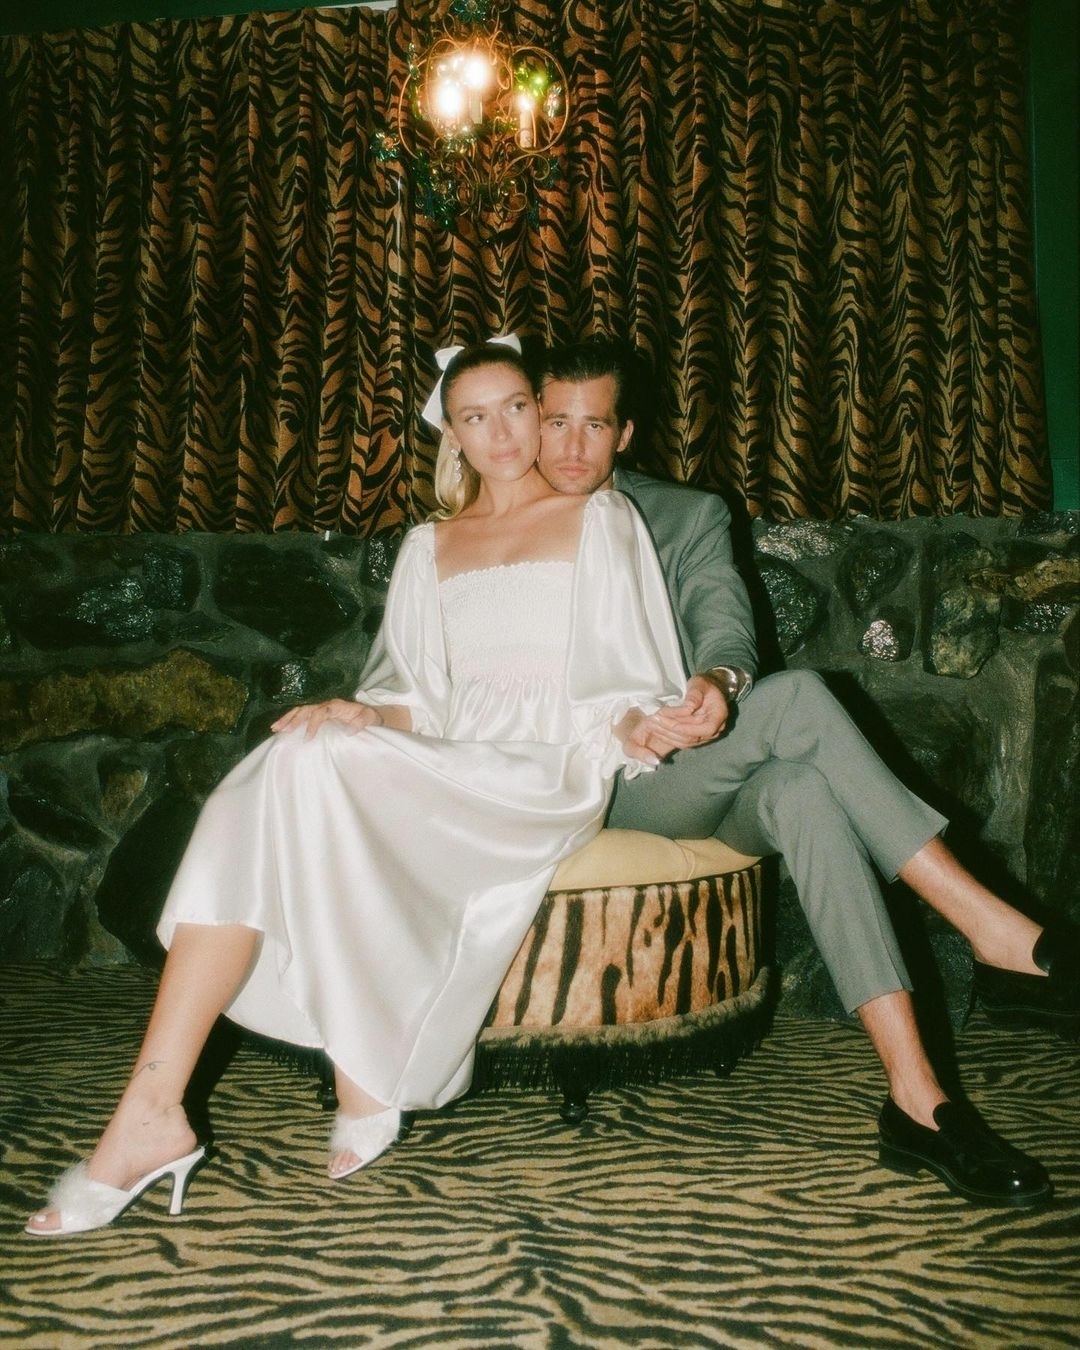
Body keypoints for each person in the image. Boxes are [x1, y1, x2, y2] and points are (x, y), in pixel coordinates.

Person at [24, 338, 692, 1237]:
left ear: (540, 411)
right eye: (476, 416)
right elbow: (415, 698)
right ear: (451, 435)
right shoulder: (430, 544)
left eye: (516, 407)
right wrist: (364, 711)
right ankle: (156, 1102)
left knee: (302, 764)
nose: (502, 432)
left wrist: (642, 726)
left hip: (545, 770)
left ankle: (339, 1073)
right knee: (302, 750)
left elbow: (627, 680)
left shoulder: (599, 519)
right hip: (445, 759)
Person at [534, 336, 1078, 1210]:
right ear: (529, 421)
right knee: (800, 702)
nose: (570, 446)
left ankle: (917, 1099)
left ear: (624, 432)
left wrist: (718, 684)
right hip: (593, 783)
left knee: (801, 790)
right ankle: (991, 929)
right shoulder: (495, 526)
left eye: (592, 424)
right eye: (555, 421)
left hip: (694, 768)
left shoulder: (682, 515)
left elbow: (723, 623)